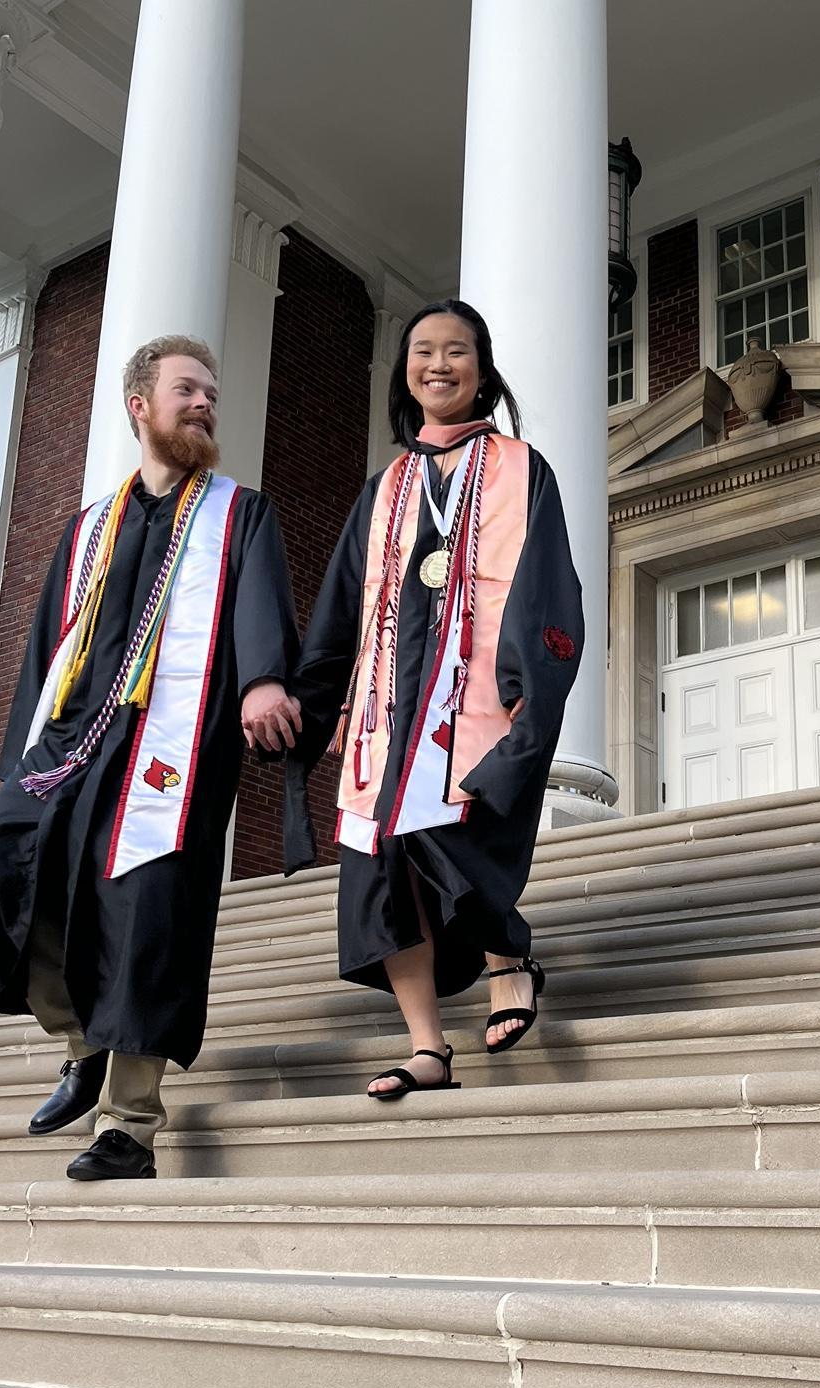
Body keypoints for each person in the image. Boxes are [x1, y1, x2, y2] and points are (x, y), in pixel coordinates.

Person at [0, 334, 302, 1179]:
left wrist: (263, 682)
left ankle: (128, 1129)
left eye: (211, 390)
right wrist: (16, 769)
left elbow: (258, 604)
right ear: (141, 406)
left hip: (168, 747)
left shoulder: (239, 514)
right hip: (70, 742)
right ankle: (80, 1040)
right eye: (187, 389)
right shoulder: (88, 528)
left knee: (144, 917)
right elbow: (46, 646)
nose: (205, 401)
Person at [286, 299, 583, 1098]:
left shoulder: (524, 468)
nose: (439, 364)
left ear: (482, 371)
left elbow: (547, 588)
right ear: (405, 372)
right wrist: (304, 707)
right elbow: (339, 609)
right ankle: (427, 1048)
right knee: (386, 870)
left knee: (451, 836)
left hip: (478, 704)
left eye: (457, 351)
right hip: (388, 713)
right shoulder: (382, 490)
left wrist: (533, 699)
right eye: (423, 351)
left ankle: (508, 960)